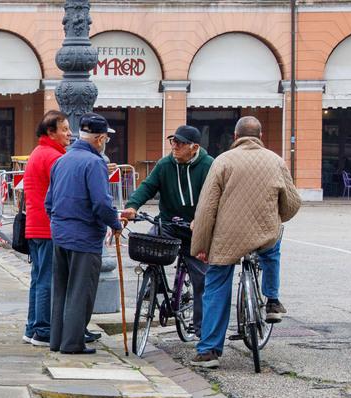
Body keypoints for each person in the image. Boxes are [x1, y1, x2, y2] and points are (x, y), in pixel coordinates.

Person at [189, 116, 301, 368]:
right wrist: (275, 217)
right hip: (264, 233)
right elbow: (293, 203)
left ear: (235, 137)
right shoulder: (276, 161)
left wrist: (201, 246)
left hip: (227, 237)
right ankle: (272, 300)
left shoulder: (223, 161)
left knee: (216, 285)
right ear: (261, 137)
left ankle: (209, 351)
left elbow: (207, 208)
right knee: (273, 248)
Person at [121, 125, 213, 338]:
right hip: (169, 223)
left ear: (194, 147)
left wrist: (201, 221)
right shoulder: (165, 164)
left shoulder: (209, 166)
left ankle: (200, 327)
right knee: (151, 244)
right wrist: (133, 206)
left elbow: (214, 198)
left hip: (196, 227)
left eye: (180, 143)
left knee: (202, 277)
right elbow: (147, 186)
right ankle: (155, 285)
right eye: (173, 141)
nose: (174, 146)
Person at [45, 113, 123, 355]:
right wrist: (115, 223)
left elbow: (49, 202)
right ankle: (73, 342)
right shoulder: (94, 163)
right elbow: (101, 203)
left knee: (61, 290)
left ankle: (58, 340)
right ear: (100, 139)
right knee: (81, 290)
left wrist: (59, 224)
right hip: (84, 236)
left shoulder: (62, 160)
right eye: (105, 140)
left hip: (60, 234)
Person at [22, 111, 71, 347]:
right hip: (48, 227)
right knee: (47, 281)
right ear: (50, 132)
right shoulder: (53, 157)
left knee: (38, 279)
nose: (69, 134)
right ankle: (43, 330)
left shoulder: (38, 152)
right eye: (64, 129)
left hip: (34, 226)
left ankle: (32, 327)